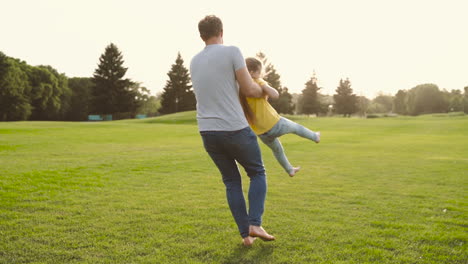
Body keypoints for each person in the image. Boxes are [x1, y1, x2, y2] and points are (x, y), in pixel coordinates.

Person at [190, 15, 275, 246]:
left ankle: (246, 236)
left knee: (231, 181)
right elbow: (248, 88)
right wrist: (263, 92)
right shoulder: (232, 51)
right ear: (221, 31)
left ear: (201, 35)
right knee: (257, 172)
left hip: (207, 132)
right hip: (234, 128)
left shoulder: (194, 61)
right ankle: (255, 223)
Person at [240, 57, 321, 177]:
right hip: (274, 123)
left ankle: (290, 170)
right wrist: (264, 85)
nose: (260, 74)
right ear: (251, 73)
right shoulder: (257, 82)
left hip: (261, 132)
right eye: (259, 72)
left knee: (277, 150)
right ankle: (315, 136)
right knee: (296, 128)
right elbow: (275, 95)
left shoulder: (239, 88)